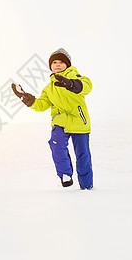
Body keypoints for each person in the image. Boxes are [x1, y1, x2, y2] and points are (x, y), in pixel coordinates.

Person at [12, 48, 93, 189]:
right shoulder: (49, 88)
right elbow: (41, 105)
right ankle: (65, 175)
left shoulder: (76, 77)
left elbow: (87, 86)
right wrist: (26, 98)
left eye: (61, 62)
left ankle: (87, 186)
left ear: (67, 64)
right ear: (50, 66)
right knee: (55, 143)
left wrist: (71, 84)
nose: (58, 65)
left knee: (83, 155)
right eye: (54, 62)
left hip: (79, 121)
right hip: (60, 122)